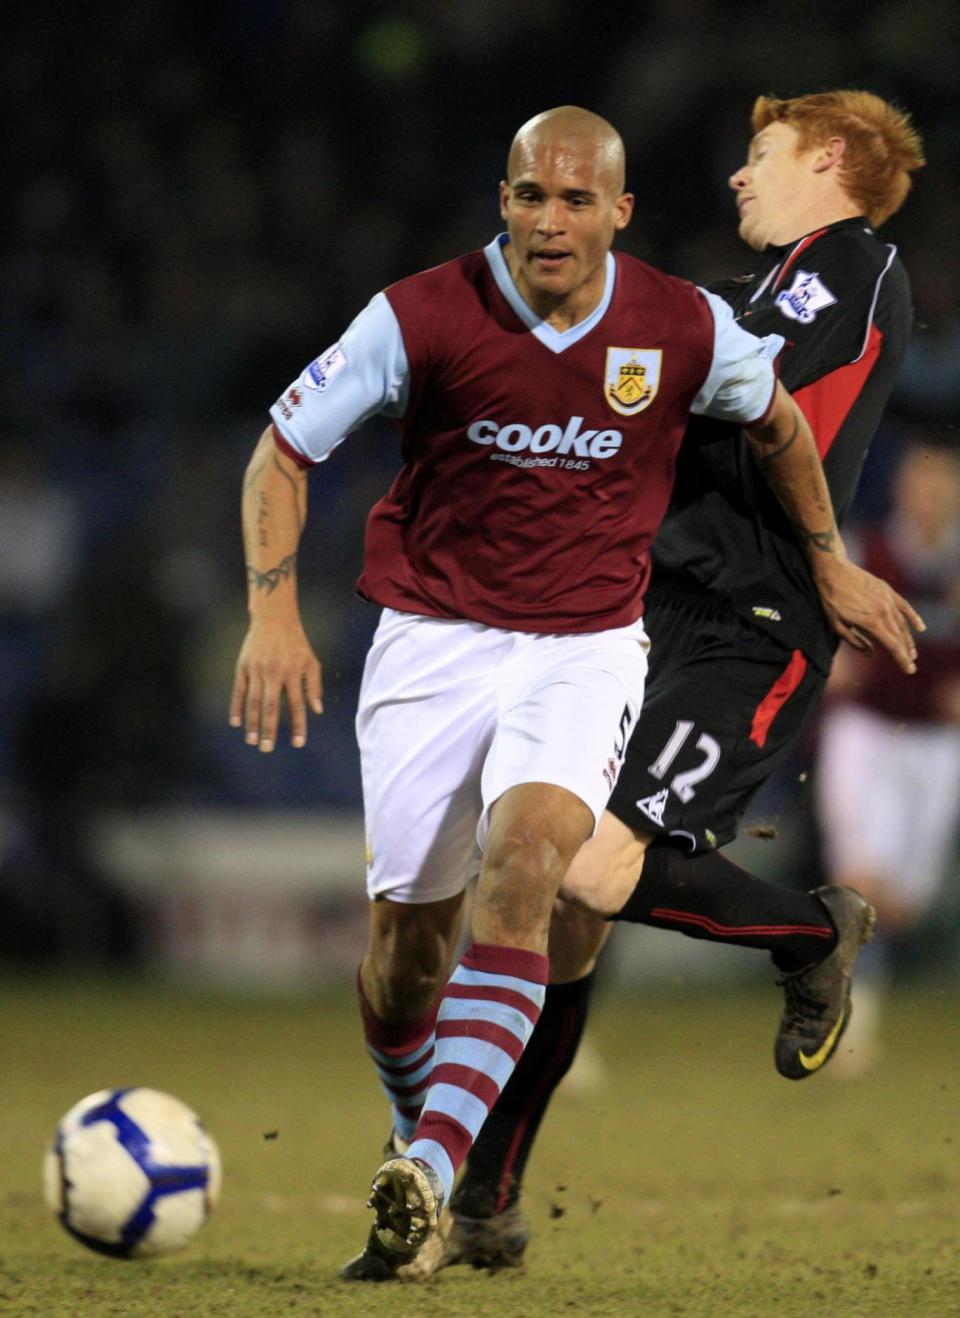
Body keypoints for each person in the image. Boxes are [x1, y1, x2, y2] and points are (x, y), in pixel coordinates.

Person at [229, 104, 920, 1280]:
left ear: (828, 162)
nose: (740, 174)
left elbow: (758, 408)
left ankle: (810, 931)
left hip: (742, 623)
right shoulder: (483, 305)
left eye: (761, 154)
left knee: (574, 861)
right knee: (534, 922)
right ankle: (488, 1188)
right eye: (530, 197)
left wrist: (824, 556)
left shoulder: (839, 270)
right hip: (631, 603)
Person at [814, 434, 960, 1075]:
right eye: (922, 485)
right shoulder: (862, 551)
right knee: (860, 880)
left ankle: (852, 995)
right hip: (867, 732)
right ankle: (849, 1022)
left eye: (943, 488)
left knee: (904, 899)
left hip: (936, 742)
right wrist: (829, 661)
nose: (931, 499)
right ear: (902, 490)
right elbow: (810, 618)